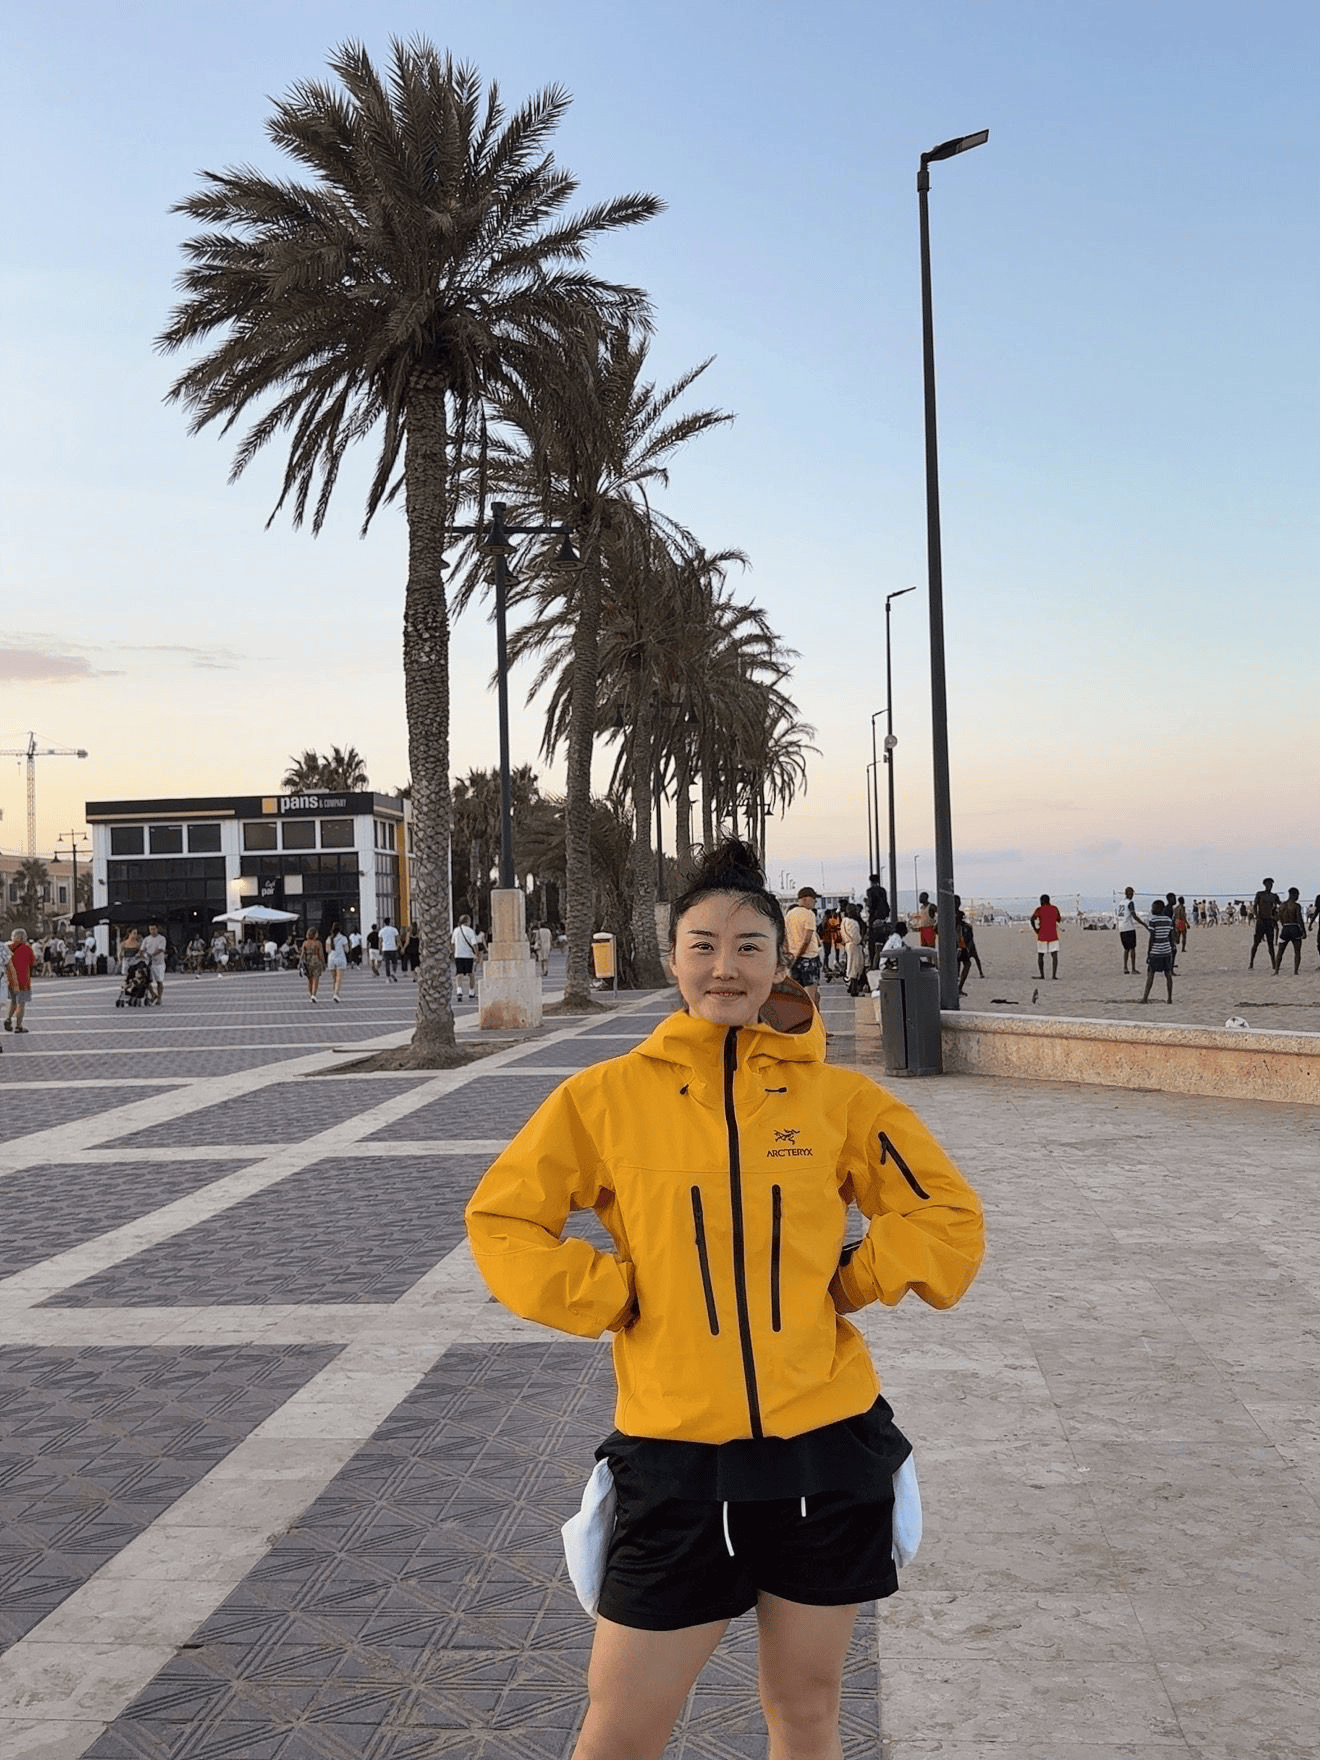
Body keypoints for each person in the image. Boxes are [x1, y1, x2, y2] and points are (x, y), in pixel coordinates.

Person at [465, 840, 985, 1760]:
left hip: (823, 1452)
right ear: (672, 959)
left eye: (750, 946)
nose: (725, 967)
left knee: (806, 1713)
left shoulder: (840, 1101)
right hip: (674, 1459)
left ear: (780, 961)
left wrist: (852, 1280)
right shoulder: (604, 1098)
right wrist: (607, 1292)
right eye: (702, 945)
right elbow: (504, 1219)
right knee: (620, 1731)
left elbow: (946, 1217)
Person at [783, 886, 822, 1009]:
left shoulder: (789, 914)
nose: (815, 902)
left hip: (793, 959)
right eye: (814, 899)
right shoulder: (809, 914)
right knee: (811, 998)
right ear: (806, 899)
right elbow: (807, 939)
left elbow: (785, 937)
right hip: (809, 959)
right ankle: (813, 1020)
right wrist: (799, 954)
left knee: (796, 997)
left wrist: (790, 955)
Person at [1136, 898, 1176, 1004]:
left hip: (1156, 951)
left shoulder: (1153, 920)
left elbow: (1152, 938)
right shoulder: (1168, 920)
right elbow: (1171, 937)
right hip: (1167, 951)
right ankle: (1169, 998)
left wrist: (1149, 952)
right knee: (1168, 975)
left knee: (1151, 974)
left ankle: (1145, 998)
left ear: (1158, 909)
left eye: (1153, 908)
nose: (1152, 910)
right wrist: (1172, 947)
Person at [3, 928, 37, 1034]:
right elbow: (33, 961)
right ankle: (18, 1026)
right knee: (21, 1004)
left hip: (11, 980)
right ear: (23, 937)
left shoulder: (7, 948)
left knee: (13, 1001)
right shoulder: (27, 948)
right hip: (23, 981)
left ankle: (8, 1019)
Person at [1249, 879, 1280, 970]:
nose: (1269, 886)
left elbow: (1280, 905)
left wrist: (1276, 916)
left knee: (1270, 944)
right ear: (1265, 885)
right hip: (1261, 921)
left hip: (1269, 921)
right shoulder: (1260, 894)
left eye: (1271, 884)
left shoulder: (1274, 896)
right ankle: (1251, 962)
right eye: (1268, 884)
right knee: (1256, 943)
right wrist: (1257, 916)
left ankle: (1274, 964)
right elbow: (1255, 906)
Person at [1030, 894, 1062, 980]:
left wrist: (1035, 929)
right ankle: (1054, 975)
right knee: (1054, 956)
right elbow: (1058, 919)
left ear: (1041, 901)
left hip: (1042, 935)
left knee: (1040, 955)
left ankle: (1042, 975)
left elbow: (1032, 919)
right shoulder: (1054, 909)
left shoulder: (1039, 909)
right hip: (1053, 935)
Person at [955, 897, 983, 994]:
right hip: (958, 944)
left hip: (959, 944)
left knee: (962, 964)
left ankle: (958, 988)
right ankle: (958, 988)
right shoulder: (955, 914)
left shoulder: (951, 914)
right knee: (965, 964)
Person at [1275, 887, 1306, 975]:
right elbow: (1299, 919)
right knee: (1297, 951)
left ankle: (1276, 970)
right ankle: (1295, 971)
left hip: (1285, 928)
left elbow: (1280, 918)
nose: (1298, 897)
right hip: (1294, 928)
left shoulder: (1282, 905)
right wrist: (1303, 931)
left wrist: (1284, 926)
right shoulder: (1296, 906)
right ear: (1294, 895)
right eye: (1297, 895)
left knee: (1280, 951)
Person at [452, 914, 481, 1002]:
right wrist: (477, 955)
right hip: (468, 955)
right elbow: (474, 944)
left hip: (458, 955)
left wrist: (453, 953)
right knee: (471, 974)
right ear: (467, 921)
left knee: (459, 974)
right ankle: (471, 993)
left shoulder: (456, 930)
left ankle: (459, 992)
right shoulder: (470, 931)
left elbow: (452, 943)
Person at [840, 901, 866, 995]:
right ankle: (854, 990)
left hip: (848, 944)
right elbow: (856, 938)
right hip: (855, 945)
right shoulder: (853, 923)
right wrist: (861, 940)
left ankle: (851, 988)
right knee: (856, 967)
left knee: (850, 966)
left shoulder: (844, 921)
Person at [140, 921, 168, 1005]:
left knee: (159, 981)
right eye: (151, 929)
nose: (152, 931)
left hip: (159, 963)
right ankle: (153, 994)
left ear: (157, 929)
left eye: (154, 929)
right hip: (148, 963)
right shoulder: (146, 939)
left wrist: (152, 954)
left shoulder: (161, 938)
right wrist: (143, 956)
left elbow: (161, 949)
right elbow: (142, 949)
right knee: (146, 981)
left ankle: (159, 998)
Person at [1116, 886, 1140, 974]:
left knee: (1126, 949)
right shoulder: (1130, 903)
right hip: (1129, 927)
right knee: (1132, 948)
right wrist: (1144, 924)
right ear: (1129, 894)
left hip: (1121, 927)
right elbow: (1134, 915)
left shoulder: (1121, 903)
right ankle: (1133, 968)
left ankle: (1125, 967)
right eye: (1132, 893)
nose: (1133, 895)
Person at [325, 920, 350, 1002]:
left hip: (331, 958)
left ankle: (334, 993)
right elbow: (347, 950)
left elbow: (327, 950)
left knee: (333, 979)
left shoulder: (329, 938)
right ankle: (336, 994)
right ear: (340, 929)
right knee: (339, 978)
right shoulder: (343, 938)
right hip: (340, 958)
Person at [300, 926, 325, 1003]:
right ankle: (314, 994)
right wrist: (323, 963)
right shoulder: (318, 943)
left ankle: (310, 994)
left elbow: (302, 954)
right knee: (316, 979)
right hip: (316, 960)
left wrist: (300, 963)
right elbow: (321, 954)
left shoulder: (305, 943)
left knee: (309, 979)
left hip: (308, 961)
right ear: (314, 934)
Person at [379, 918, 401, 982]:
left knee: (387, 964)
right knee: (395, 962)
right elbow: (398, 939)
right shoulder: (394, 929)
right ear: (390, 922)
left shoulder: (382, 930)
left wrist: (380, 949)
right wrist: (399, 946)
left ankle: (388, 977)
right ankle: (393, 973)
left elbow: (380, 941)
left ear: (384, 923)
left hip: (385, 948)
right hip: (393, 948)